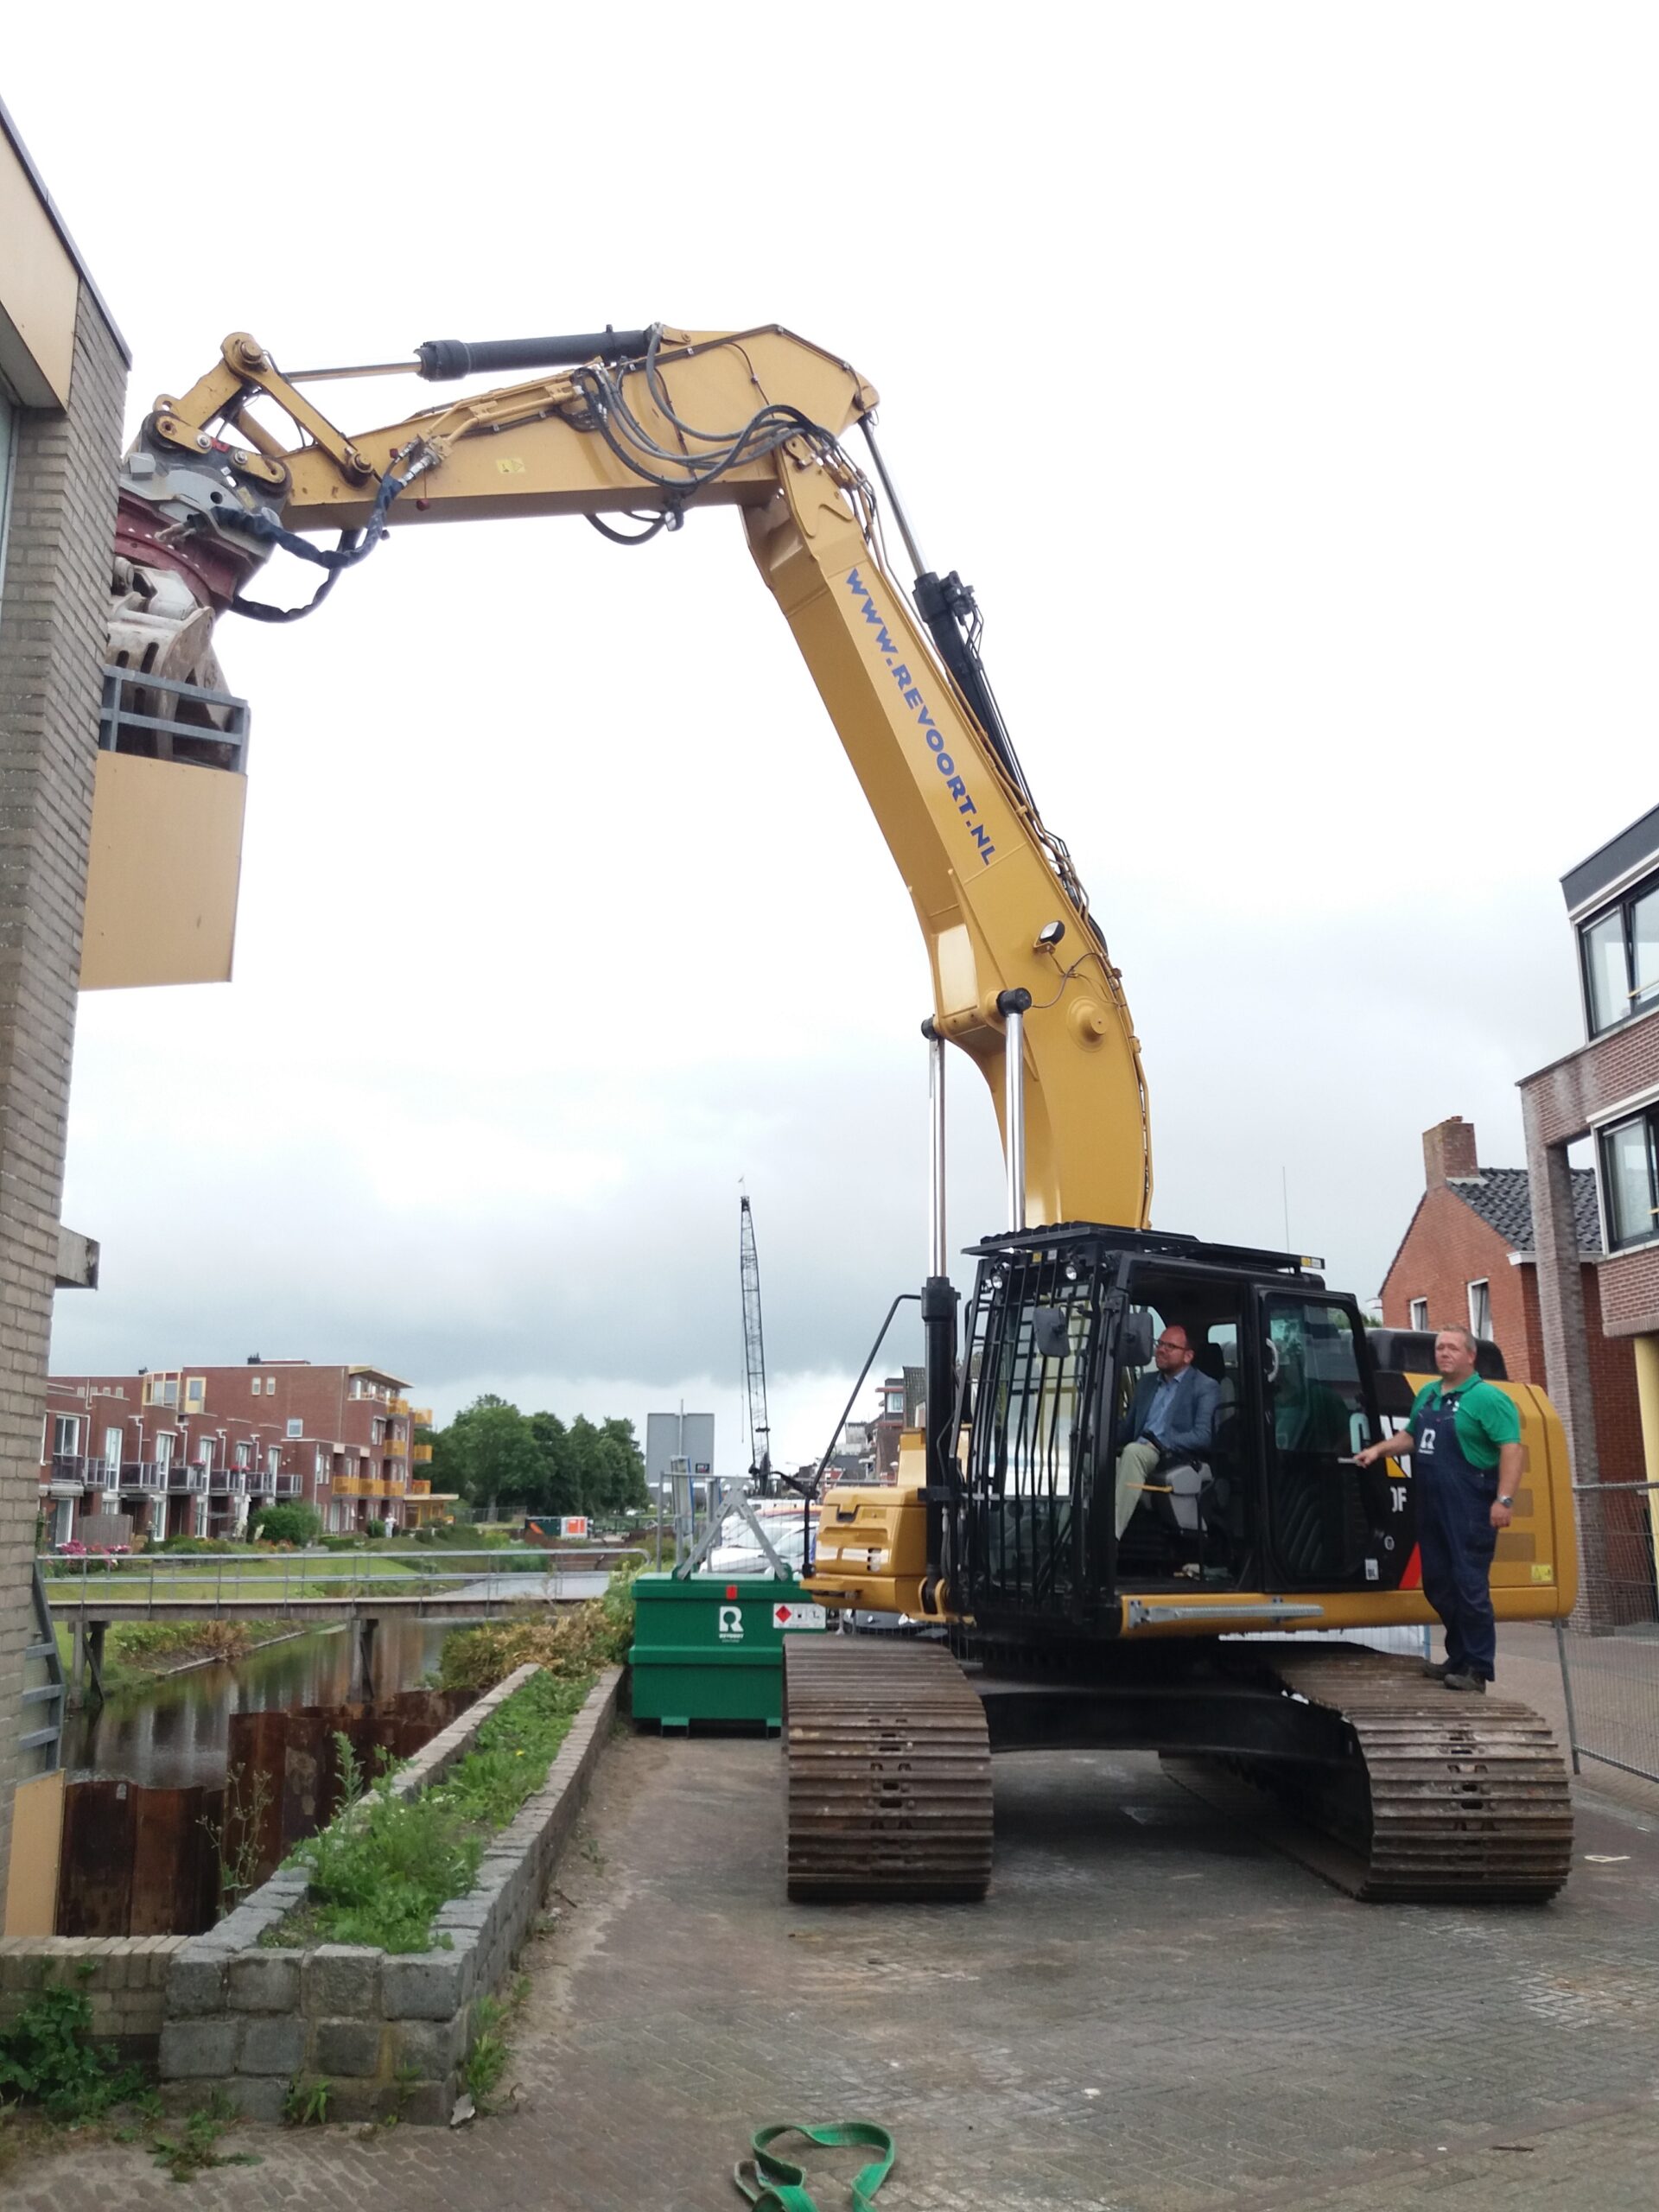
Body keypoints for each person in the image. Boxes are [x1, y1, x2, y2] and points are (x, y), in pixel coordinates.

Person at [1353, 1325, 1522, 1693]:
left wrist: (1504, 1499)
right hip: (1431, 1504)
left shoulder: (1488, 1398)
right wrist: (1378, 1451)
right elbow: (1411, 1437)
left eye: (1452, 1348)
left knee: (1470, 1587)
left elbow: (1512, 1449)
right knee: (1438, 1585)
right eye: (1439, 1347)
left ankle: (1477, 1668)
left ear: (1470, 1356)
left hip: (1470, 1506)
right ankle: (1458, 1657)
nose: (1443, 1353)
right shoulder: (1428, 1394)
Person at [1115, 1323, 1220, 1541]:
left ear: (1188, 1356)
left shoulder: (1204, 1386)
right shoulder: (1146, 1383)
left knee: (1133, 1452)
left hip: (1172, 1455)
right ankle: (1080, 1537)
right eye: (1160, 1344)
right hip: (1140, 1450)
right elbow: (1127, 1429)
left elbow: (1203, 1436)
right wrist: (1095, 1436)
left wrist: (1162, 1444)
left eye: (1170, 1346)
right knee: (1094, 1461)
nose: (1161, 1350)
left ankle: (1109, 1538)